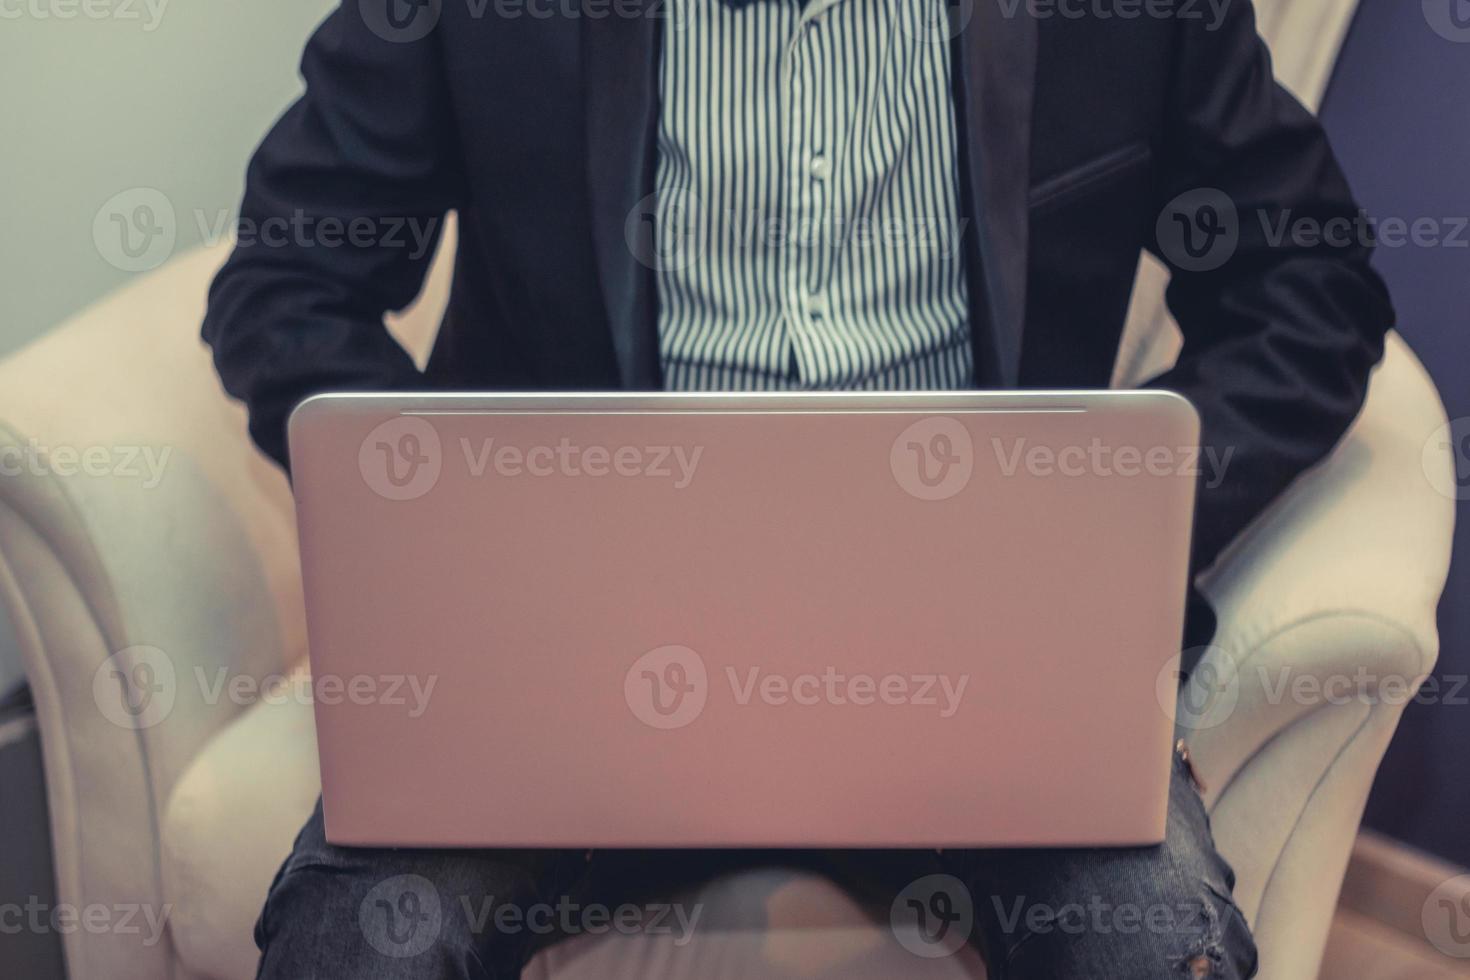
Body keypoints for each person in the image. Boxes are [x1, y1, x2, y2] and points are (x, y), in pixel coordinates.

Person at [203, 0, 1392, 975]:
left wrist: (1107, 523)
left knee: (1150, 944)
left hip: (984, 664)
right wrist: (457, 521)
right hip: (566, 658)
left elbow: (1311, 296)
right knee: (357, 942)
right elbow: (285, 285)